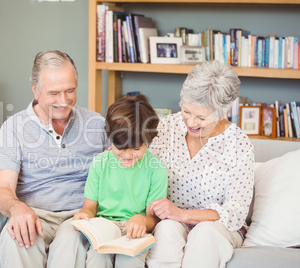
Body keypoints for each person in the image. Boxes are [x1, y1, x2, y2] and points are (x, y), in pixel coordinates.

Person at [0, 50, 110, 268]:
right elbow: (2, 191)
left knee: (72, 238)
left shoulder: (96, 124)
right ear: (35, 90)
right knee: (15, 237)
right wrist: (17, 209)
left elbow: (124, 168)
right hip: (36, 215)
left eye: (70, 91)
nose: (64, 101)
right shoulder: (14, 128)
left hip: (81, 214)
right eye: (54, 93)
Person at [147, 60, 255, 268]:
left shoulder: (238, 144)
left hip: (218, 226)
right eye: (186, 111)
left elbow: (236, 211)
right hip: (172, 221)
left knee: (204, 233)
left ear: (224, 112)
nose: (191, 123)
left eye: (201, 117)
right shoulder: (167, 126)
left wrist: (184, 214)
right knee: (167, 230)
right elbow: (145, 169)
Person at [71, 94, 168, 267]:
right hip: (104, 227)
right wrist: (84, 215)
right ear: (110, 138)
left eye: (136, 149)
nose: (128, 155)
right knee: (96, 259)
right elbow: (89, 207)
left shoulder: (156, 169)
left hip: (135, 231)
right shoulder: (100, 163)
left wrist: (141, 220)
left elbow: (152, 219)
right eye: (120, 148)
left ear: (149, 141)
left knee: (130, 261)